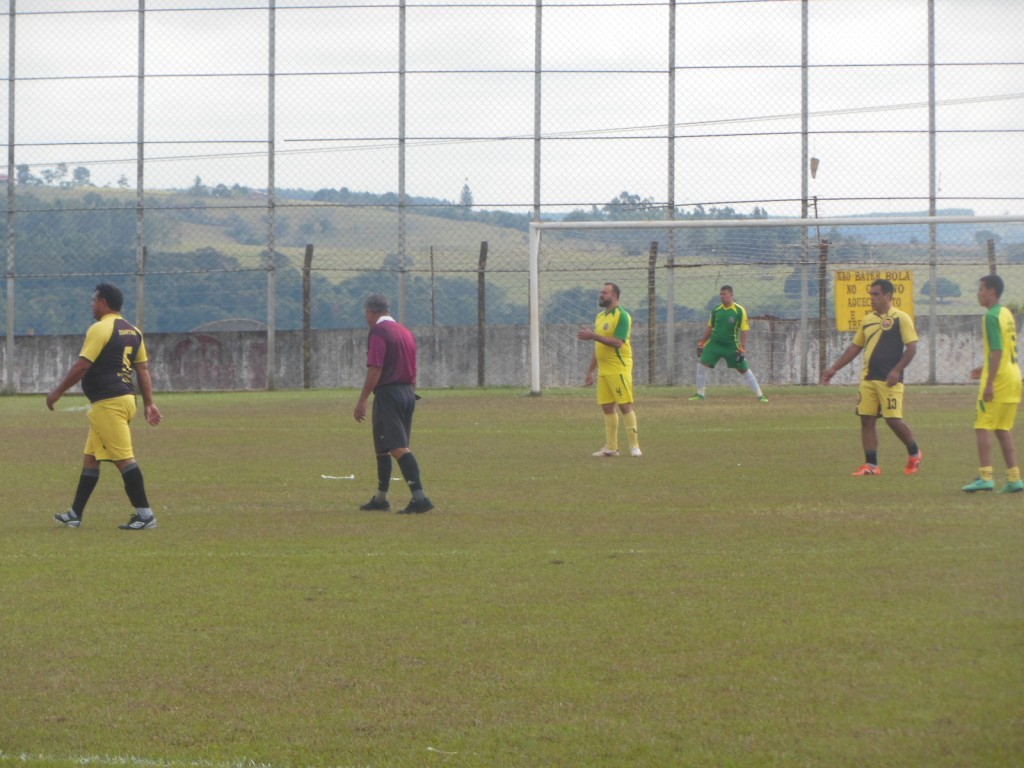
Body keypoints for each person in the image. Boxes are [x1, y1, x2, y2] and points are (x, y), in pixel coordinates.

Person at [47, 282, 162, 529]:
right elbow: (142, 370)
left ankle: (145, 516)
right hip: (123, 400)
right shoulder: (133, 331)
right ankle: (75, 514)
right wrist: (149, 403)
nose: (91, 304)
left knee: (124, 460)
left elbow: (83, 365)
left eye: (93, 300)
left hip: (109, 403)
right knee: (91, 459)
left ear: (103, 303)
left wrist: (57, 392)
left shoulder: (100, 328)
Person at [821, 278, 922, 476]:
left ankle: (915, 452)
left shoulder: (901, 318)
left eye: (876, 294)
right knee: (867, 420)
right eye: (871, 294)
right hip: (868, 378)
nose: (872, 298)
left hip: (889, 380)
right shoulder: (868, 320)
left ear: (888, 296)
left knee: (893, 420)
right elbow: (855, 347)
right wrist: (834, 368)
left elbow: (912, 348)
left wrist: (896, 370)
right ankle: (871, 465)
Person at [353, 294, 434, 514]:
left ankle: (420, 498)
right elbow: (414, 368)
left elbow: (375, 368)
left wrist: (362, 400)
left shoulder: (379, 332)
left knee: (397, 447)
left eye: (366, 314)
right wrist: (409, 393)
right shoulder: (404, 331)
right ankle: (381, 499)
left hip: (389, 393)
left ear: (370, 311)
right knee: (383, 446)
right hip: (407, 392)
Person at [962, 274, 1022, 493]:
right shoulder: (1006, 313)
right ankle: (1014, 479)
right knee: (1002, 429)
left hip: (1000, 380)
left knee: (982, 425)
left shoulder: (990, 317)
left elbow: (997, 351)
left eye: (981, 289)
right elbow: (1002, 350)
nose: (978, 293)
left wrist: (989, 383)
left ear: (992, 292)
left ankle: (986, 476)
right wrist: (984, 367)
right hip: (1014, 376)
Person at [577, 282, 641, 457]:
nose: (601, 295)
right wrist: (591, 371)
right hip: (604, 371)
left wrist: (592, 336)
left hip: (618, 368)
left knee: (625, 406)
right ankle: (612, 448)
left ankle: (634, 447)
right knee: (606, 407)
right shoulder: (599, 317)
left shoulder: (622, 316)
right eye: (601, 292)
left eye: (604, 293)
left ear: (614, 296)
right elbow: (599, 348)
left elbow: (618, 342)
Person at [689, 285, 768, 403]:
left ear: (731, 295)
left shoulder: (739, 310)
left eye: (724, 294)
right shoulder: (716, 310)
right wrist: (702, 342)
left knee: (743, 369)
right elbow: (710, 327)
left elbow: (744, 329)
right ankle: (700, 394)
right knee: (702, 364)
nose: (722, 296)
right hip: (714, 344)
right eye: (721, 294)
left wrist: (742, 348)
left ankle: (760, 396)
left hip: (731, 345)